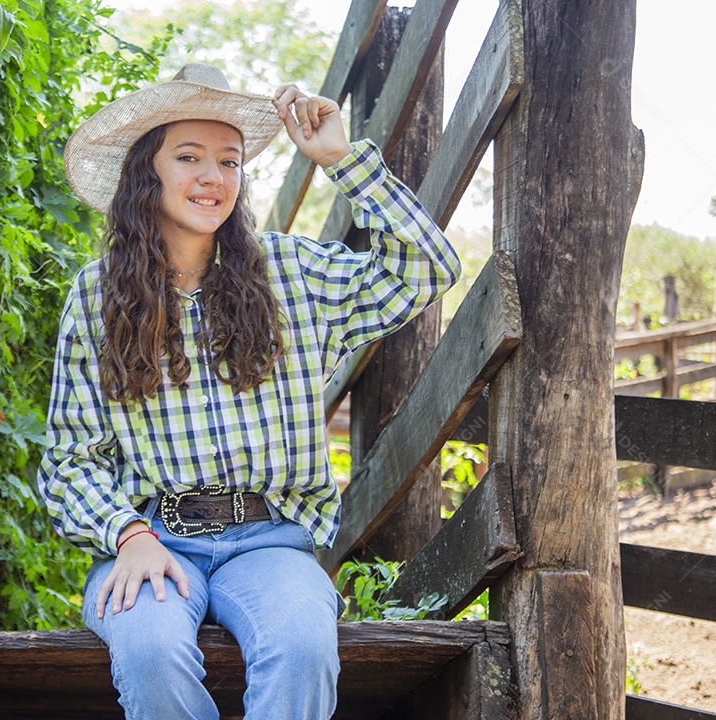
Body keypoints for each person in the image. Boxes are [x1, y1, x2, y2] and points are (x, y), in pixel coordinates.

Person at [37, 62, 460, 719]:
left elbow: (429, 268)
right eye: (189, 157)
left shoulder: (293, 275)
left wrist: (342, 160)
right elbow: (70, 462)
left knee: (299, 649)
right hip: (154, 539)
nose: (213, 177)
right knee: (150, 654)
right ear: (145, 172)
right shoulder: (95, 299)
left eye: (230, 162)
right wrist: (126, 534)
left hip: (271, 543)